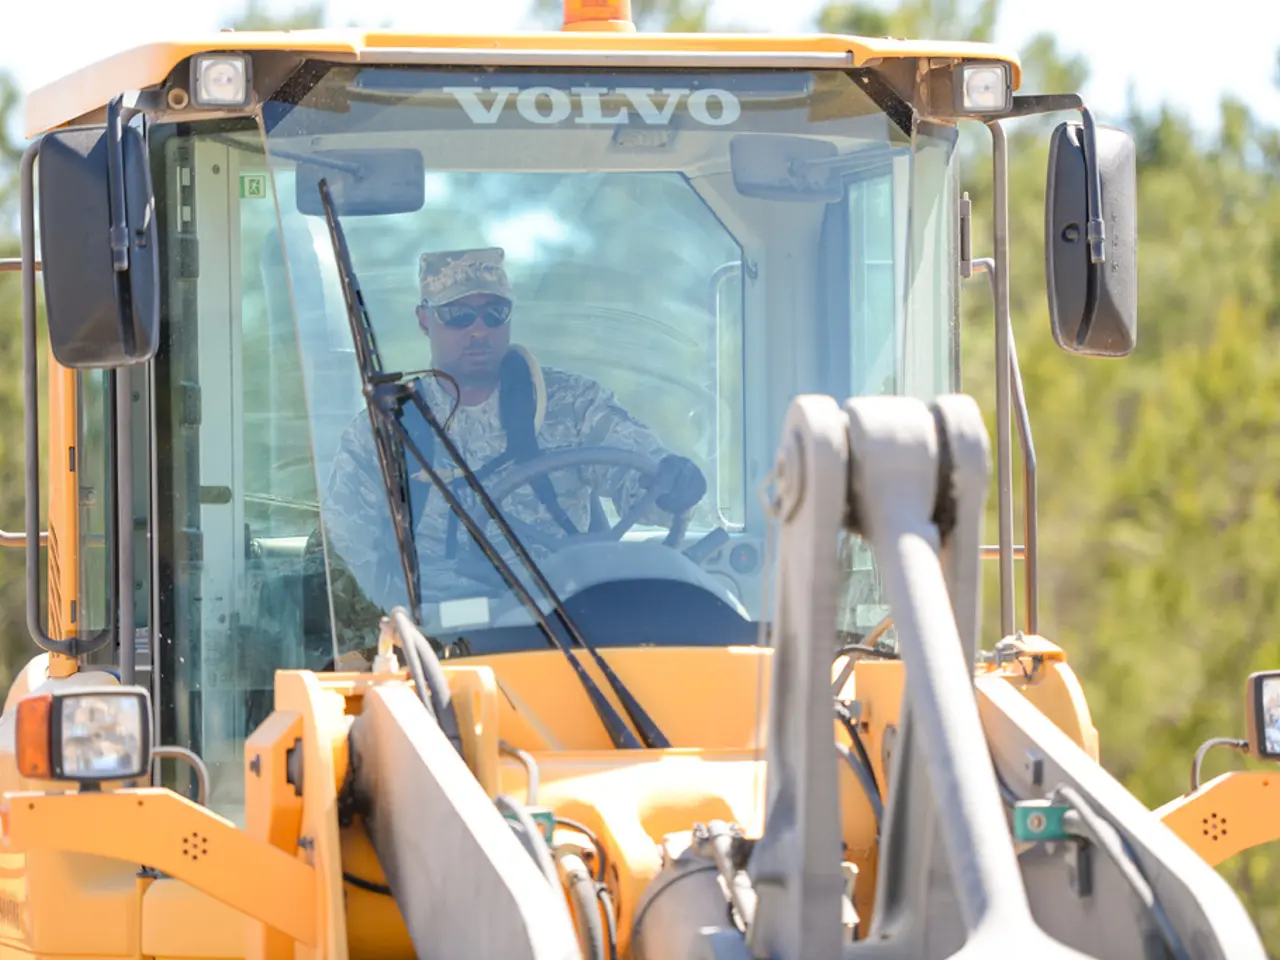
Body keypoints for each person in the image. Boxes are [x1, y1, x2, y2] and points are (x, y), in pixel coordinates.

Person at [320, 245, 707, 625]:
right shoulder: (388, 429)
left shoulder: (572, 403)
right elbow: (349, 552)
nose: (478, 330)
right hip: (446, 635)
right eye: (457, 315)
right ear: (424, 320)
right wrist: (392, 628)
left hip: (567, 621)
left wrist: (675, 485)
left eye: (494, 313)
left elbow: (645, 486)